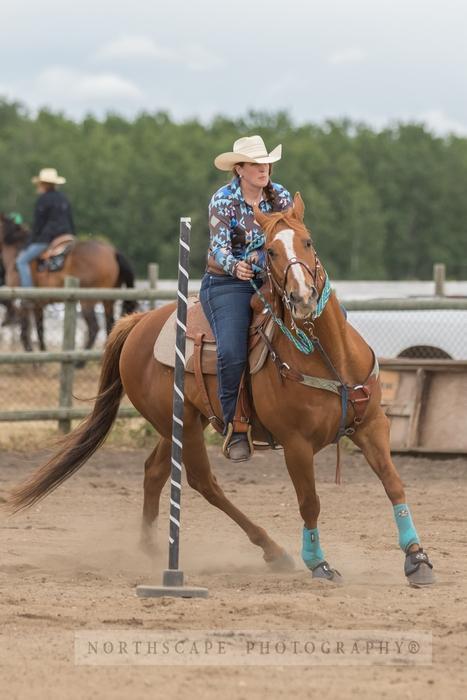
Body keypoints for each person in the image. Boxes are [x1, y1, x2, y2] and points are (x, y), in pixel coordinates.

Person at [200, 135, 292, 462]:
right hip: (227, 283)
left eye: (266, 163)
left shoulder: (279, 195)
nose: (263, 168)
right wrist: (236, 265)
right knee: (231, 350)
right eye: (255, 164)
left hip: (273, 278)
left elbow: (288, 236)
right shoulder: (222, 200)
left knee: (327, 319)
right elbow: (219, 245)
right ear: (239, 169)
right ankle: (235, 425)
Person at [16, 168, 75, 287]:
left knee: (21, 261)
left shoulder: (43, 200)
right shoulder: (64, 198)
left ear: (43, 184)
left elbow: (39, 225)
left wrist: (29, 243)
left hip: (48, 238)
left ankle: (28, 294)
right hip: (67, 236)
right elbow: (70, 220)